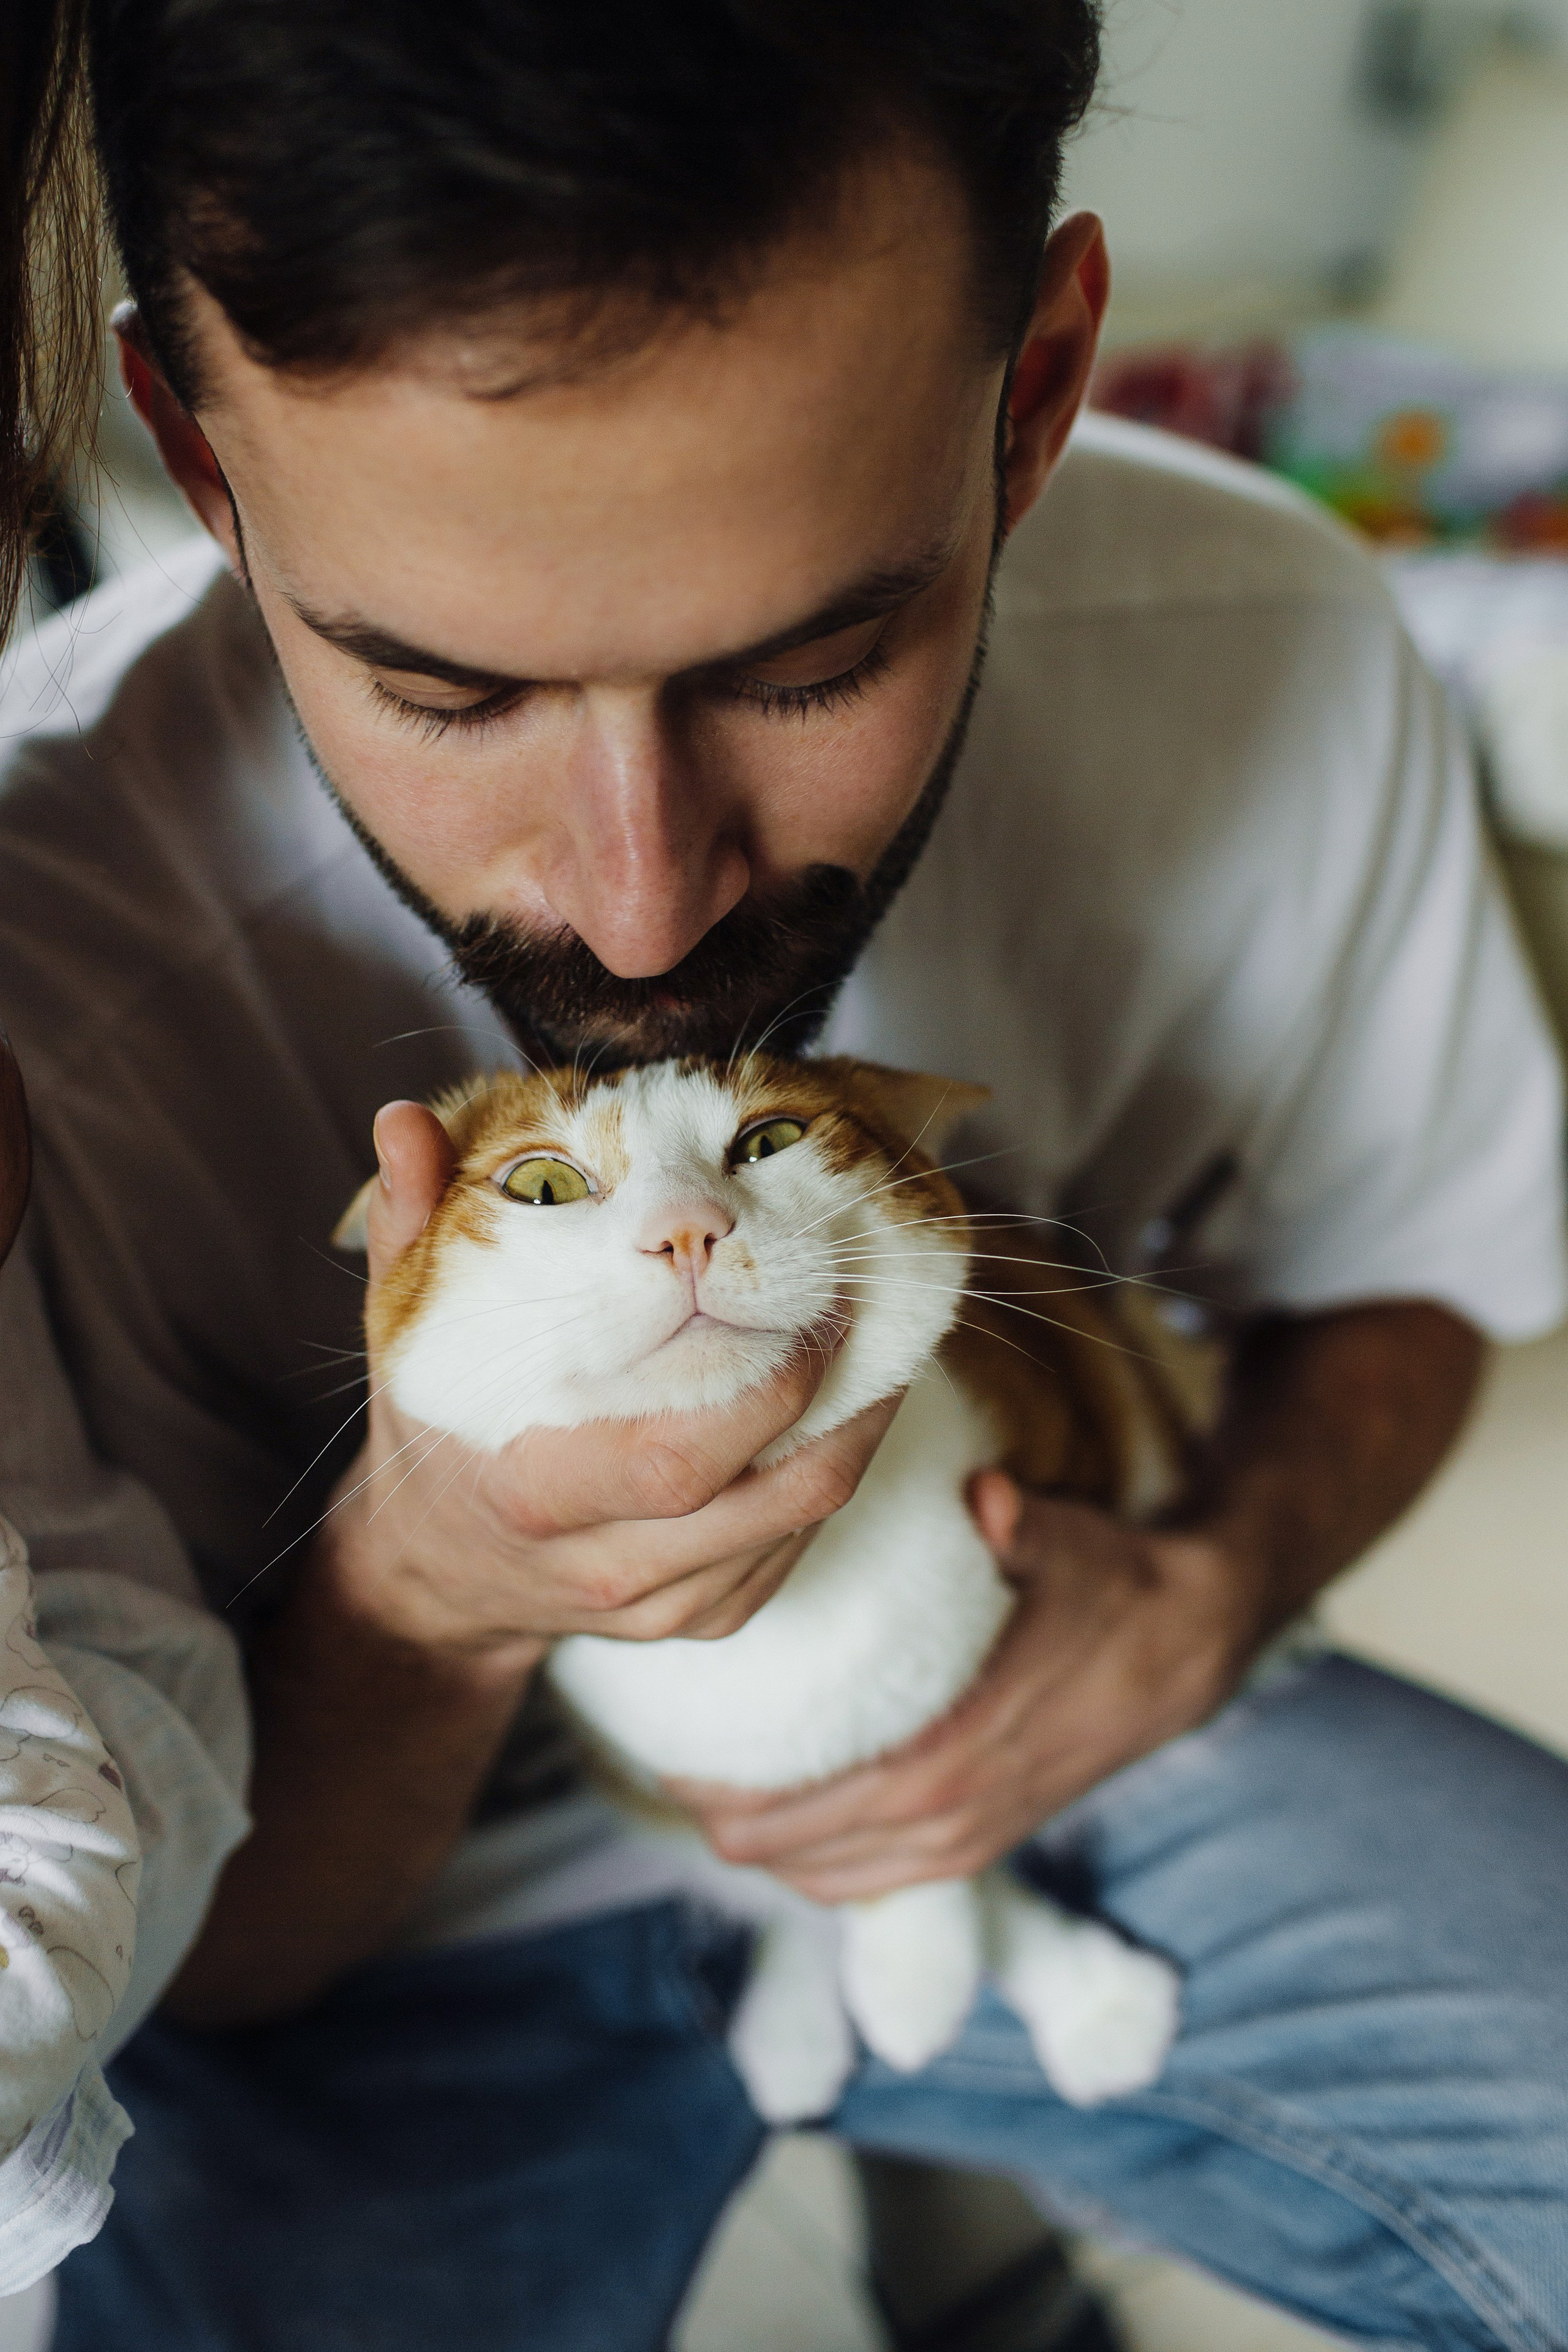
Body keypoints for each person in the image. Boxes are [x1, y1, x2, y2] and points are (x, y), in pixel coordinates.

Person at [0, 0, 1562, 2342]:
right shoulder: (41, 951)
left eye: (816, 659)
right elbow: (192, 1968)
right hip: (357, 1942)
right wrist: (432, 1598)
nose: (642, 913)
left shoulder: (1269, 648)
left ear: (1035, 392)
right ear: (204, 469)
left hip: (1057, 1721)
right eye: (445, 693)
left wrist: (1217, 1580)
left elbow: (1410, 1272)